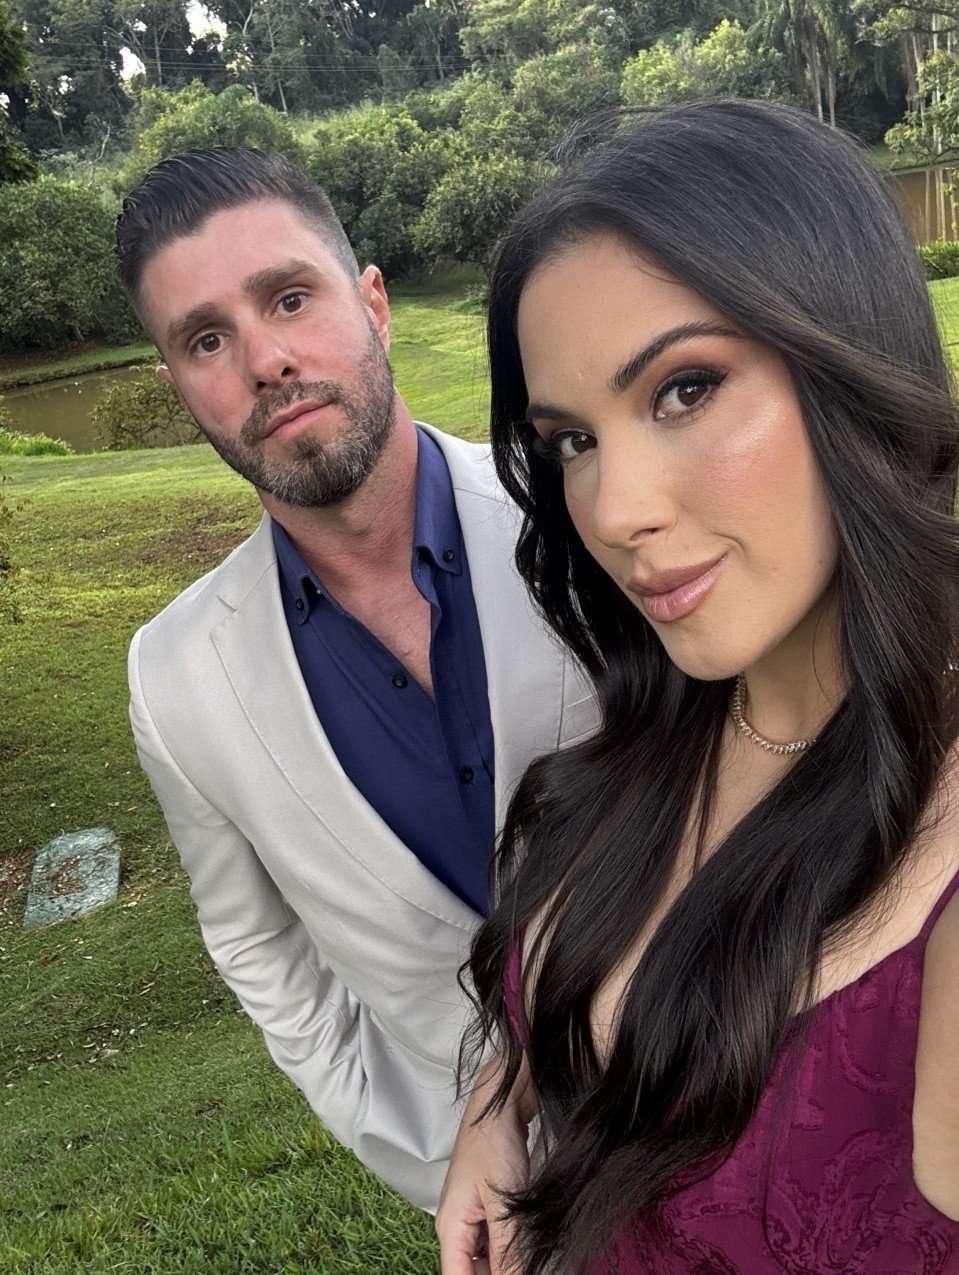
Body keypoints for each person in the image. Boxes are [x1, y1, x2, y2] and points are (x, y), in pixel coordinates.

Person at [436, 100, 959, 1273]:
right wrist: (497, 1109)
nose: (615, 512)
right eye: (571, 441)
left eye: (682, 390)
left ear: (847, 360)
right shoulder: (662, 721)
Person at [116, 147, 596, 1214]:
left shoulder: (579, 512)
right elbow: (254, 942)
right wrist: (407, 1142)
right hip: (498, 1207)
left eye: (290, 298)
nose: (265, 361)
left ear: (372, 302)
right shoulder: (174, 679)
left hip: (745, 1096)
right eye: (206, 339)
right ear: (177, 387)